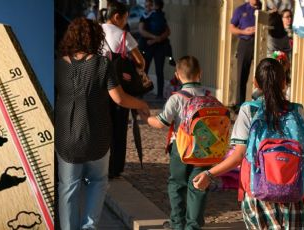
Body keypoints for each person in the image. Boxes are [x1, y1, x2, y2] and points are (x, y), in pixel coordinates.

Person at [193, 58, 304, 229]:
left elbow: (238, 156)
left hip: (258, 192)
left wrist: (209, 174)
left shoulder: (249, 110)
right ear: (284, 82)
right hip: (294, 191)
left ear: (255, 82)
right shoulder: (297, 111)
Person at [55, 17, 149, 229]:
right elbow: (120, 98)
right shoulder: (101, 64)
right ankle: (89, 227)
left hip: (67, 138)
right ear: (96, 37)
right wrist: (141, 103)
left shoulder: (59, 66)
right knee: (97, 182)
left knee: (68, 186)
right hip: (96, 136)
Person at [140, 56, 210, 230]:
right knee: (198, 186)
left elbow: (161, 122)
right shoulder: (209, 96)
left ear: (177, 75)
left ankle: (177, 223)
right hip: (204, 149)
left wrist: (146, 118)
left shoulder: (177, 98)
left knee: (177, 185)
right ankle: (193, 225)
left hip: (181, 147)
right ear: (200, 73)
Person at [101, 1, 146, 178]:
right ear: (117, 16)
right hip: (119, 89)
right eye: (125, 19)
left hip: (98, 88)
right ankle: (115, 168)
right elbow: (140, 61)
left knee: (101, 128)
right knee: (119, 129)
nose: (125, 23)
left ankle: (98, 166)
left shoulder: (94, 32)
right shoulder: (124, 36)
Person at [230, 0, 261, 108]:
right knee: (242, 75)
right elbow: (231, 28)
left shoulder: (263, 8)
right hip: (245, 42)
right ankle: (240, 105)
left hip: (261, 42)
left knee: (261, 74)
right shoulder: (241, 9)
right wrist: (245, 31)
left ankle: (259, 103)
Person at [139, 0, 171, 99]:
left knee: (156, 71)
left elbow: (168, 31)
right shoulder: (145, 17)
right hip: (153, 46)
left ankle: (158, 94)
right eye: (146, 6)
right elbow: (141, 31)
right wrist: (157, 38)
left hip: (153, 46)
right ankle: (143, 92)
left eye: (149, 6)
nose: (147, 8)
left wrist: (154, 40)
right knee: (146, 70)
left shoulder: (155, 16)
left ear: (153, 6)